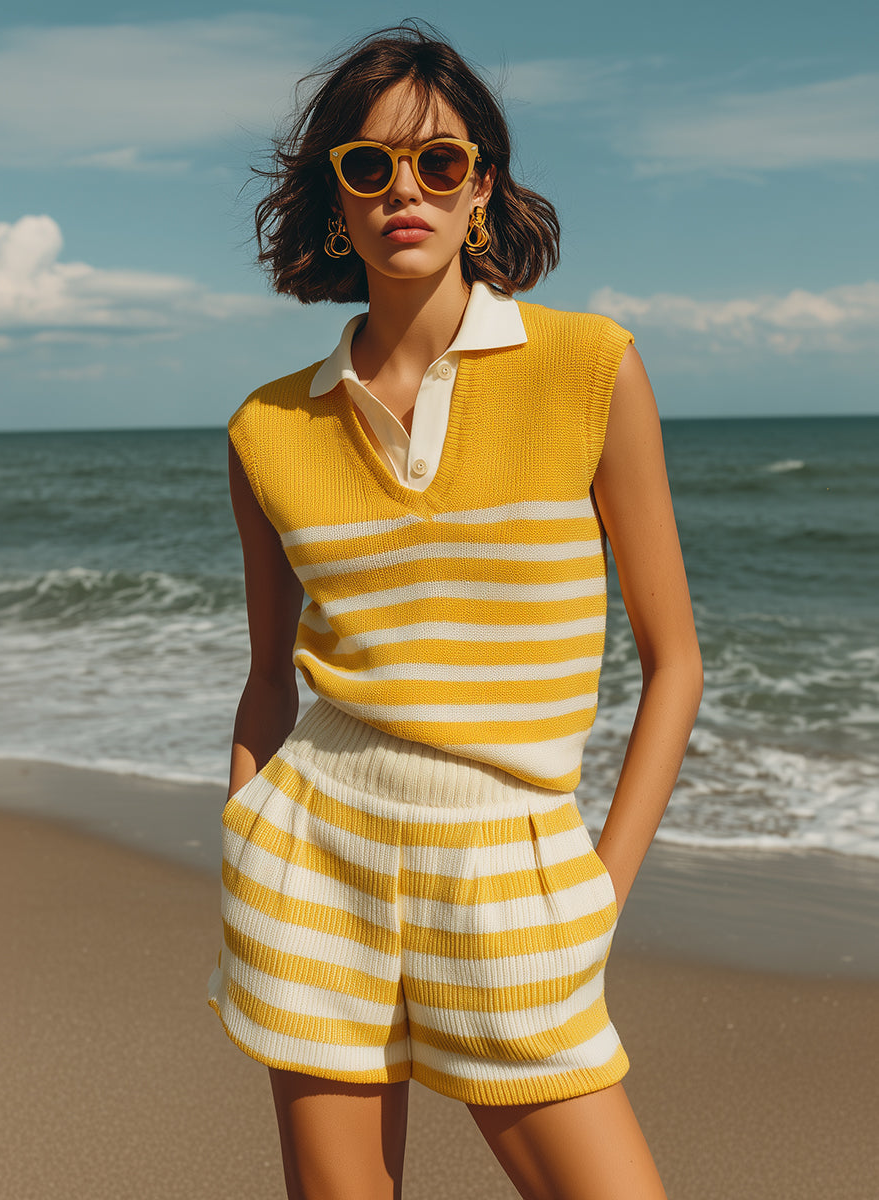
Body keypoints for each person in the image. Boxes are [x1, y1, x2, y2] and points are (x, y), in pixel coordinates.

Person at [208, 23, 703, 1200]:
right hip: (313, 868)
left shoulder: (589, 367)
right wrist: (240, 833)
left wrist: (601, 887)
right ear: (337, 196)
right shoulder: (267, 428)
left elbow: (673, 660)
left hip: (517, 879)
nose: (405, 192)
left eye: (439, 162)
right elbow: (271, 676)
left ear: (482, 184)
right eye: (368, 167)